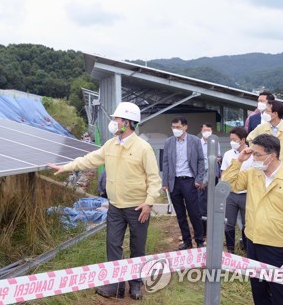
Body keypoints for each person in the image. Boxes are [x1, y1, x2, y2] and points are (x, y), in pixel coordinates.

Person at [47, 102, 161, 300]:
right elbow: (89, 159)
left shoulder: (144, 148)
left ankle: (135, 285)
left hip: (137, 207)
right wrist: (66, 167)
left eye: (116, 119)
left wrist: (149, 203)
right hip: (115, 206)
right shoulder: (110, 145)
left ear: (127, 122)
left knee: (137, 247)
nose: (113, 123)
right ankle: (115, 286)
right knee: (113, 245)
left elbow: (154, 179)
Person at [222, 134, 283, 305]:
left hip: (276, 246)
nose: (253, 158)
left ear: (272, 155)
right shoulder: (253, 174)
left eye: (257, 154)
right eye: (252, 154)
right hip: (253, 241)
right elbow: (227, 185)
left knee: (279, 292)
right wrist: (239, 160)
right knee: (258, 291)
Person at [162, 116, 205, 250]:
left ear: (185, 127)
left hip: (189, 181)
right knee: (180, 214)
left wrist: (199, 179)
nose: (176, 130)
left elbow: (201, 161)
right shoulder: (169, 142)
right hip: (174, 182)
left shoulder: (195, 141)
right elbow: (165, 162)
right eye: (173, 127)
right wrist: (165, 182)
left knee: (194, 213)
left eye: (178, 127)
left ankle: (199, 240)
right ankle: (187, 241)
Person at [220, 127, 253, 253]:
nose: (232, 142)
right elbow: (224, 172)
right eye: (231, 139)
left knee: (247, 223)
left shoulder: (251, 155)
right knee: (229, 222)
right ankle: (230, 250)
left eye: (235, 139)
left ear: (243, 139)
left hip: (246, 194)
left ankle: (247, 249)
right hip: (231, 194)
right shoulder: (228, 154)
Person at [247, 100, 283, 166]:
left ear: (275, 114)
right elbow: (249, 139)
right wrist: (255, 152)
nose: (264, 113)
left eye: (267, 111)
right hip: (264, 169)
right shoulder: (260, 128)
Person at [197, 122, 221, 238]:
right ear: (201, 130)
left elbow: (217, 158)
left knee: (211, 202)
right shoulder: (197, 143)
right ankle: (203, 231)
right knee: (201, 204)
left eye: (209, 130)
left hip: (212, 176)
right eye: (205, 129)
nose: (207, 132)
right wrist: (202, 179)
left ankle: (211, 229)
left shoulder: (215, 143)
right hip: (201, 177)